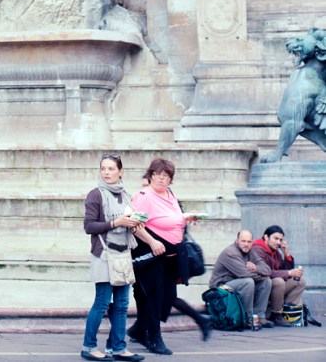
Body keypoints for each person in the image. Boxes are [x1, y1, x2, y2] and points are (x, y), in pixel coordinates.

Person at [81, 153, 144, 361]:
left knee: (122, 304)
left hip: (123, 253)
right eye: (103, 169)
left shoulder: (126, 195)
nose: (106, 173)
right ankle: (89, 347)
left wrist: (135, 223)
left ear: (120, 172)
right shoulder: (95, 194)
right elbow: (89, 226)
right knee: (101, 302)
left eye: (111, 169)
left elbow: (129, 222)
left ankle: (118, 347)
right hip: (104, 254)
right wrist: (117, 223)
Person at [126, 158, 193, 355]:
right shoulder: (144, 196)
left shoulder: (170, 194)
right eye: (157, 174)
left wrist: (186, 218)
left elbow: (169, 218)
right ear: (150, 175)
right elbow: (134, 223)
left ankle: (139, 329)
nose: (161, 179)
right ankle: (155, 338)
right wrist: (152, 241)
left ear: (171, 179)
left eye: (166, 176)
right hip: (151, 254)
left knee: (168, 296)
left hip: (170, 255)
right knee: (154, 297)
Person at [209, 230, 272, 330]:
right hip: (221, 288)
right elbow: (245, 274)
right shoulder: (231, 252)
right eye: (243, 241)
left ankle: (259, 318)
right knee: (248, 281)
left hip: (237, 284)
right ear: (237, 240)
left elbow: (267, 269)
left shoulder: (250, 252)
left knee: (266, 282)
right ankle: (248, 319)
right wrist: (263, 275)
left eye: (249, 242)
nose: (246, 244)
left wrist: (256, 268)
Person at [251, 225, 306, 327]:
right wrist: (289, 273)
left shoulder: (275, 252)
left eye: (280, 240)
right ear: (266, 237)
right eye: (275, 238)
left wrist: (286, 254)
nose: (278, 242)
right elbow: (265, 272)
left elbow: (283, 270)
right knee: (278, 281)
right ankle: (276, 314)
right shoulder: (257, 249)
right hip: (261, 287)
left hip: (275, 287)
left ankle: (287, 312)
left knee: (299, 282)